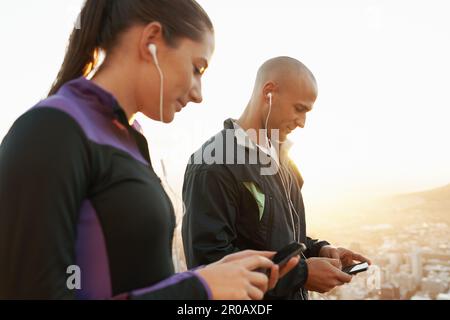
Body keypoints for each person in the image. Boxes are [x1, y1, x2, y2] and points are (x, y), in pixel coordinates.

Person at [0, 0, 299, 300]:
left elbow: (136, 281)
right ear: (151, 41)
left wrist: (211, 276)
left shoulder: (130, 138)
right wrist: (199, 289)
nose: (199, 94)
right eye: (197, 68)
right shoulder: (51, 130)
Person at [182, 57, 371, 300]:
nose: (302, 123)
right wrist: (301, 275)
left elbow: (281, 237)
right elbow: (209, 265)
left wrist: (320, 249)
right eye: (299, 109)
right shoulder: (212, 163)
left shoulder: (282, 159)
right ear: (269, 93)